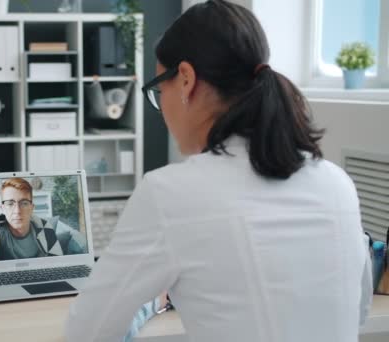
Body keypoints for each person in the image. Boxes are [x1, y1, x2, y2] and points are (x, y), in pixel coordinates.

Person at [65, 1, 372, 341]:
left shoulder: (170, 193)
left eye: (158, 91)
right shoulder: (336, 182)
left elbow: (87, 332)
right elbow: (357, 313)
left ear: (185, 79)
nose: (161, 108)